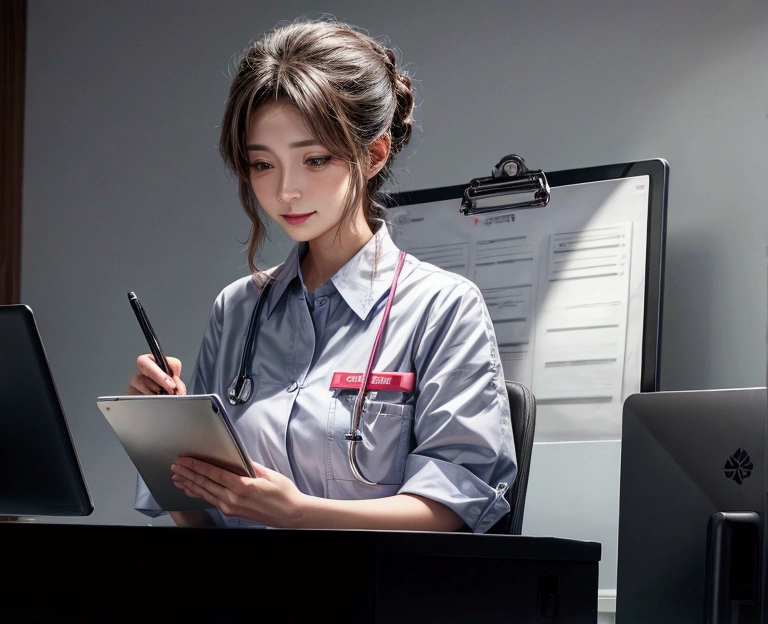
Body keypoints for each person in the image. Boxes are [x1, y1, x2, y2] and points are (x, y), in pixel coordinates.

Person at [127, 16, 516, 532]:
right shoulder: (237, 308)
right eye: (262, 164)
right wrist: (165, 438)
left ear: (373, 153)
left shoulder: (442, 308)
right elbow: (203, 525)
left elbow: (456, 510)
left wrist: (299, 515)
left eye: (313, 159)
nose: (286, 190)